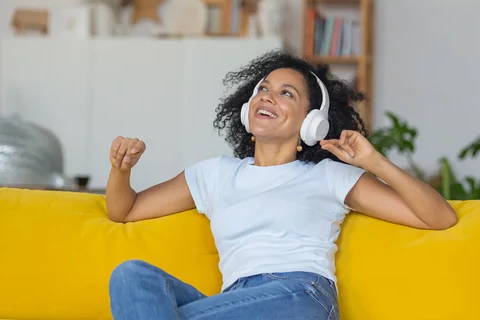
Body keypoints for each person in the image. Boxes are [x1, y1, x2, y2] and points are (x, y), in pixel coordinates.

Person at [106, 50, 457, 320]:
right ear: (246, 109)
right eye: (262, 89)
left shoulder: (329, 176)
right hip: (236, 303)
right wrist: (121, 170)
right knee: (131, 274)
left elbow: (439, 217)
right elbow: (125, 210)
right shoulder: (214, 174)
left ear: (312, 122)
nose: (267, 96)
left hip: (300, 296)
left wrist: (374, 163)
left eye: (286, 93)